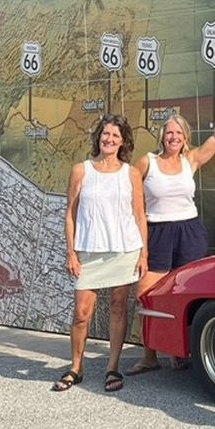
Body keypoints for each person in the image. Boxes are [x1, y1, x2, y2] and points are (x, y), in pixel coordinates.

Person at [126, 96, 215, 375]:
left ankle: (179, 353)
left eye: (179, 133)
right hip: (157, 232)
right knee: (147, 295)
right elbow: (129, 194)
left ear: (185, 137)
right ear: (162, 136)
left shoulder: (191, 160)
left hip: (189, 232)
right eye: (169, 132)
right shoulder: (147, 162)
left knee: (186, 294)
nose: (174, 137)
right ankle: (149, 356)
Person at [52, 114, 150, 393]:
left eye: (115, 135)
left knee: (118, 308)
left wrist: (143, 254)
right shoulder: (81, 170)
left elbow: (140, 215)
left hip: (124, 250)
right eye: (106, 134)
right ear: (99, 137)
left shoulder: (131, 173)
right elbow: (70, 214)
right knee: (81, 313)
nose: (109, 139)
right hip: (89, 252)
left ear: (123, 141)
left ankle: (112, 367)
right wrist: (71, 253)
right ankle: (76, 367)